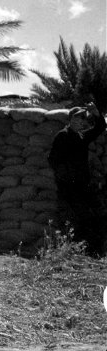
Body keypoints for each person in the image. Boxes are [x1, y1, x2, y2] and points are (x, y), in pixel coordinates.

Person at [47, 105, 106, 254]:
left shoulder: (81, 137)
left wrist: (96, 113)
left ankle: (86, 250)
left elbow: (100, 127)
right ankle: (72, 250)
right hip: (68, 188)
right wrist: (66, 178)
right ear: (71, 119)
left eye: (83, 118)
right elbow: (53, 160)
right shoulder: (63, 136)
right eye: (78, 117)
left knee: (88, 218)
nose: (81, 121)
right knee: (74, 219)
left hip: (81, 186)